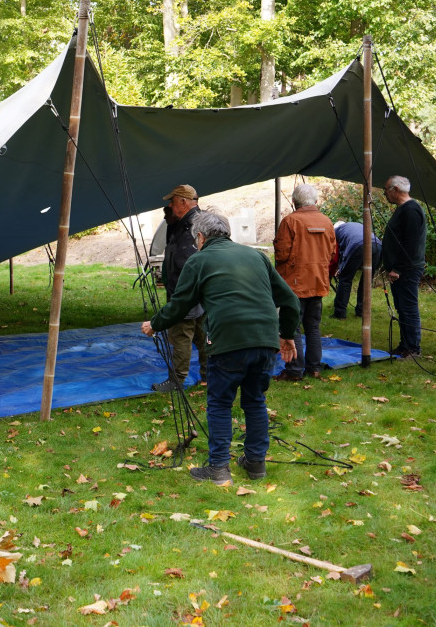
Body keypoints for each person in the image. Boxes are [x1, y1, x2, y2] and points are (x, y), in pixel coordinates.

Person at [142, 211, 299, 485]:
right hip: (265, 341)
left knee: (219, 403)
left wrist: (155, 324)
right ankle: (255, 463)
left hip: (228, 342)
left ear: (200, 237)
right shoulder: (256, 256)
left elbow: (180, 305)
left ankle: (218, 468)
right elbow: (290, 301)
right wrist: (286, 335)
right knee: (255, 401)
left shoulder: (199, 260)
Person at [272, 184, 337, 381]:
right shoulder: (326, 221)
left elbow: (281, 254)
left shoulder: (291, 221)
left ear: (294, 202)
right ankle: (314, 368)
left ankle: (294, 370)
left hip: (295, 284)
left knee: (293, 328)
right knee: (313, 327)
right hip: (318, 281)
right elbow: (333, 252)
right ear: (315, 201)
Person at [152, 184, 208, 392]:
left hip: (187, 290)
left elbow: (187, 261)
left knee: (181, 335)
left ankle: (176, 380)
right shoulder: (188, 222)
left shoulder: (192, 225)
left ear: (183, 202)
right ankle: (208, 376)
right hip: (199, 290)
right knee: (203, 335)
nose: (170, 206)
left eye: (173, 202)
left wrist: (180, 296)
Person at [382, 175, 426, 357]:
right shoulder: (404, 209)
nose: (385, 194)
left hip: (407, 269)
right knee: (402, 307)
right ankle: (405, 344)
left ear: (396, 190)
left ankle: (413, 348)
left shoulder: (411, 210)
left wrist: (397, 268)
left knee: (408, 307)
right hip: (401, 269)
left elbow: (411, 243)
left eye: (386, 190)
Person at [331, 221, 382, 319]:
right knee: (366, 280)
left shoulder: (336, 231)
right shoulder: (355, 225)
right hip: (377, 245)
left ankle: (339, 313)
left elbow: (337, 252)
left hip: (358, 245)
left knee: (345, 279)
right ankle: (361, 311)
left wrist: (341, 268)